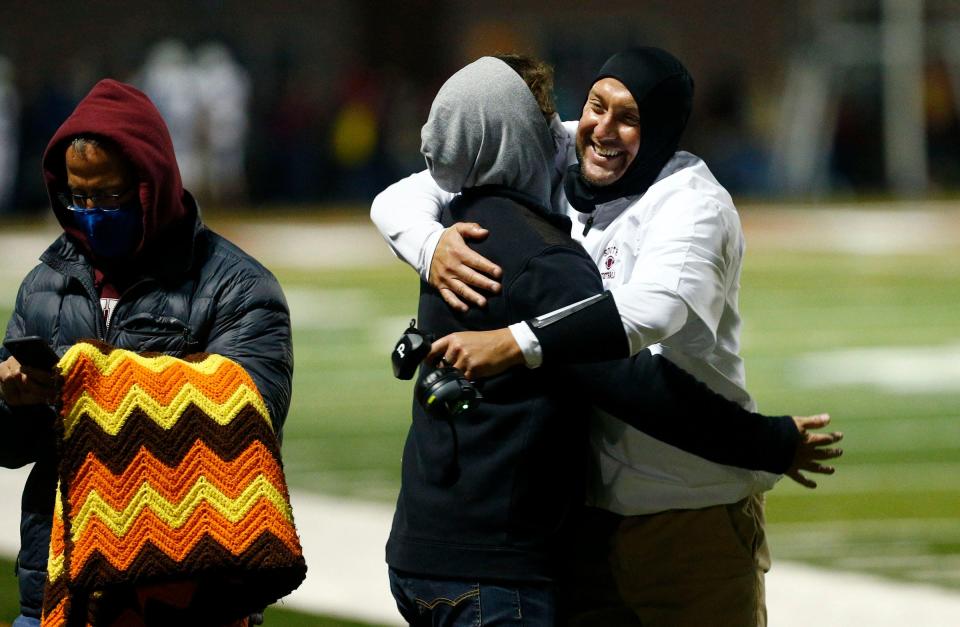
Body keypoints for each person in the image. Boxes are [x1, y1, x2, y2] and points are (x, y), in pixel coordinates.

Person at [371, 48, 829, 626]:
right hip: (586, 526)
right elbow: (404, 194)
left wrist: (518, 341)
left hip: (688, 513)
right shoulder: (573, 150)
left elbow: (647, 316)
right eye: (595, 106)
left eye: (629, 117)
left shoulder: (690, 203)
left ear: (659, 130)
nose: (603, 129)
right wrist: (429, 245)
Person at [0, 79, 293, 626]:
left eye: (108, 196)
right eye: (77, 197)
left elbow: (252, 413)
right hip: (58, 589)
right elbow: (10, 447)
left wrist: (100, 379)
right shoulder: (46, 284)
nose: (91, 213)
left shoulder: (238, 287)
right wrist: (13, 395)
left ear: (151, 180)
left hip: (187, 591)